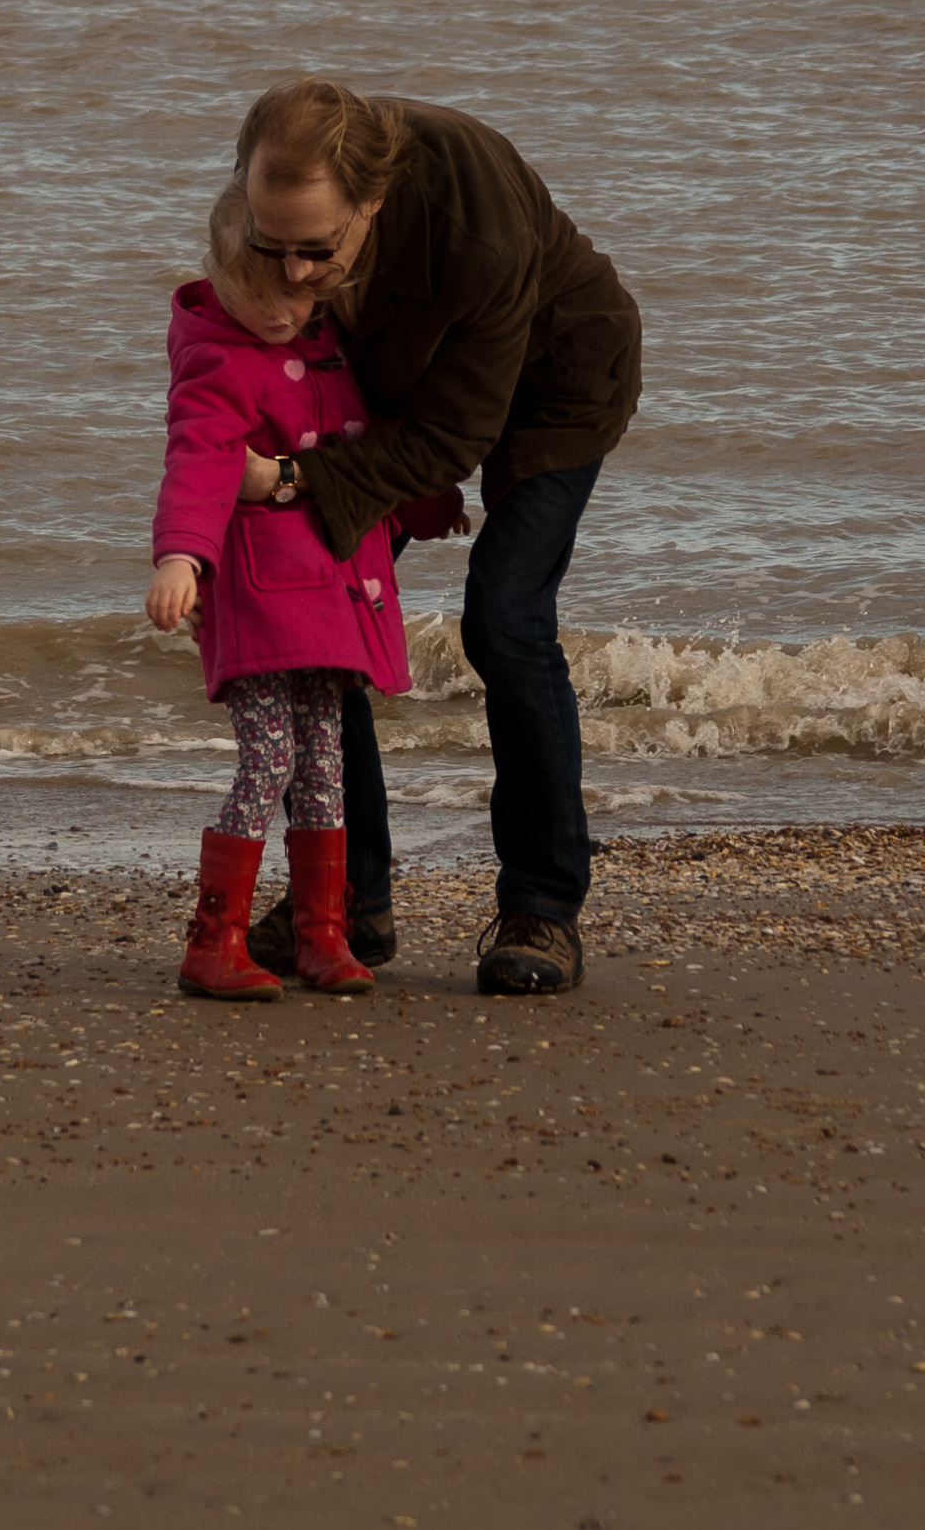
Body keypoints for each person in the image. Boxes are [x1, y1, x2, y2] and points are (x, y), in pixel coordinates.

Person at [221, 81, 639, 997]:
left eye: (317, 251)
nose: (294, 273)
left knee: (505, 617)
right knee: (312, 617)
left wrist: (291, 478)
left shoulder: (473, 224)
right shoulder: (278, 197)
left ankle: (542, 905)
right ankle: (347, 903)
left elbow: (454, 437)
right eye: (271, 245)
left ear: (370, 200)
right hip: (399, 382)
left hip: (557, 378)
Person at [145, 184, 466, 1003]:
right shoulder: (218, 359)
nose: (281, 313)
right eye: (259, 298)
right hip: (259, 599)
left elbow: (363, 441)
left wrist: (428, 503)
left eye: (293, 297)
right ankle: (214, 940)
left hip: (330, 592)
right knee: (270, 760)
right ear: (222, 280)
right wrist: (180, 558)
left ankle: (325, 933)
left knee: (325, 763)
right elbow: (199, 458)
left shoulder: (326, 341)